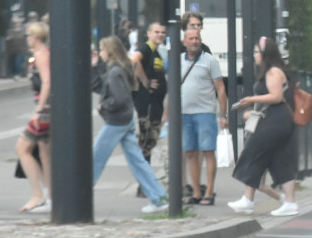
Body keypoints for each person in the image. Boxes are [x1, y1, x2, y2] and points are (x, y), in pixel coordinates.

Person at [91, 37, 168, 213]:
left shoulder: (115, 71)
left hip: (116, 121)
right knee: (138, 162)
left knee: (96, 158)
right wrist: (95, 67)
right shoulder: (120, 68)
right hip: (126, 120)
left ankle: (81, 196)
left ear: (109, 51)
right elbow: (101, 86)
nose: (100, 53)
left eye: (102, 49)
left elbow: (118, 98)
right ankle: (159, 198)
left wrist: (104, 105)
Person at [227, 36, 299, 217]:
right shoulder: (271, 71)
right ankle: (282, 202)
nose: (255, 55)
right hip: (275, 119)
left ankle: (250, 200)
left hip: (276, 119)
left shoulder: (274, 72)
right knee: (277, 159)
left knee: (253, 150)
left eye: (257, 51)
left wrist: (251, 99)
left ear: (265, 54)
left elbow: (276, 97)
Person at [172, 27, 227, 205]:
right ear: (184, 42)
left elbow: (220, 87)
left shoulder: (210, 60)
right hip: (184, 114)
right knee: (190, 153)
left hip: (205, 113)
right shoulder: (177, 61)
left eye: (197, 38)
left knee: (208, 151)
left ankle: (209, 192)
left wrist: (223, 114)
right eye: (191, 38)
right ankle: (196, 192)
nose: (195, 41)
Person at [15, 22, 52, 213]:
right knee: (44, 153)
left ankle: (38, 195)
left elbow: (47, 82)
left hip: (45, 110)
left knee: (23, 148)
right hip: (48, 108)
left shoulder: (40, 55)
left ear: (36, 37)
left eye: (29, 35)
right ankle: (49, 196)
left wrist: (39, 109)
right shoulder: (45, 54)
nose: (27, 38)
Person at [130, 22, 167, 166]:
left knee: (149, 143)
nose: (160, 35)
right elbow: (134, 60)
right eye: (156, 32)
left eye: (163, 32)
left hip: (155, 105)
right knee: (145, 142)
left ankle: (145, 182)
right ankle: (143, 183)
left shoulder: (156, 51)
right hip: (147, 105)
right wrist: (145, 81)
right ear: (149, 33)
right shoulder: (146, 48)